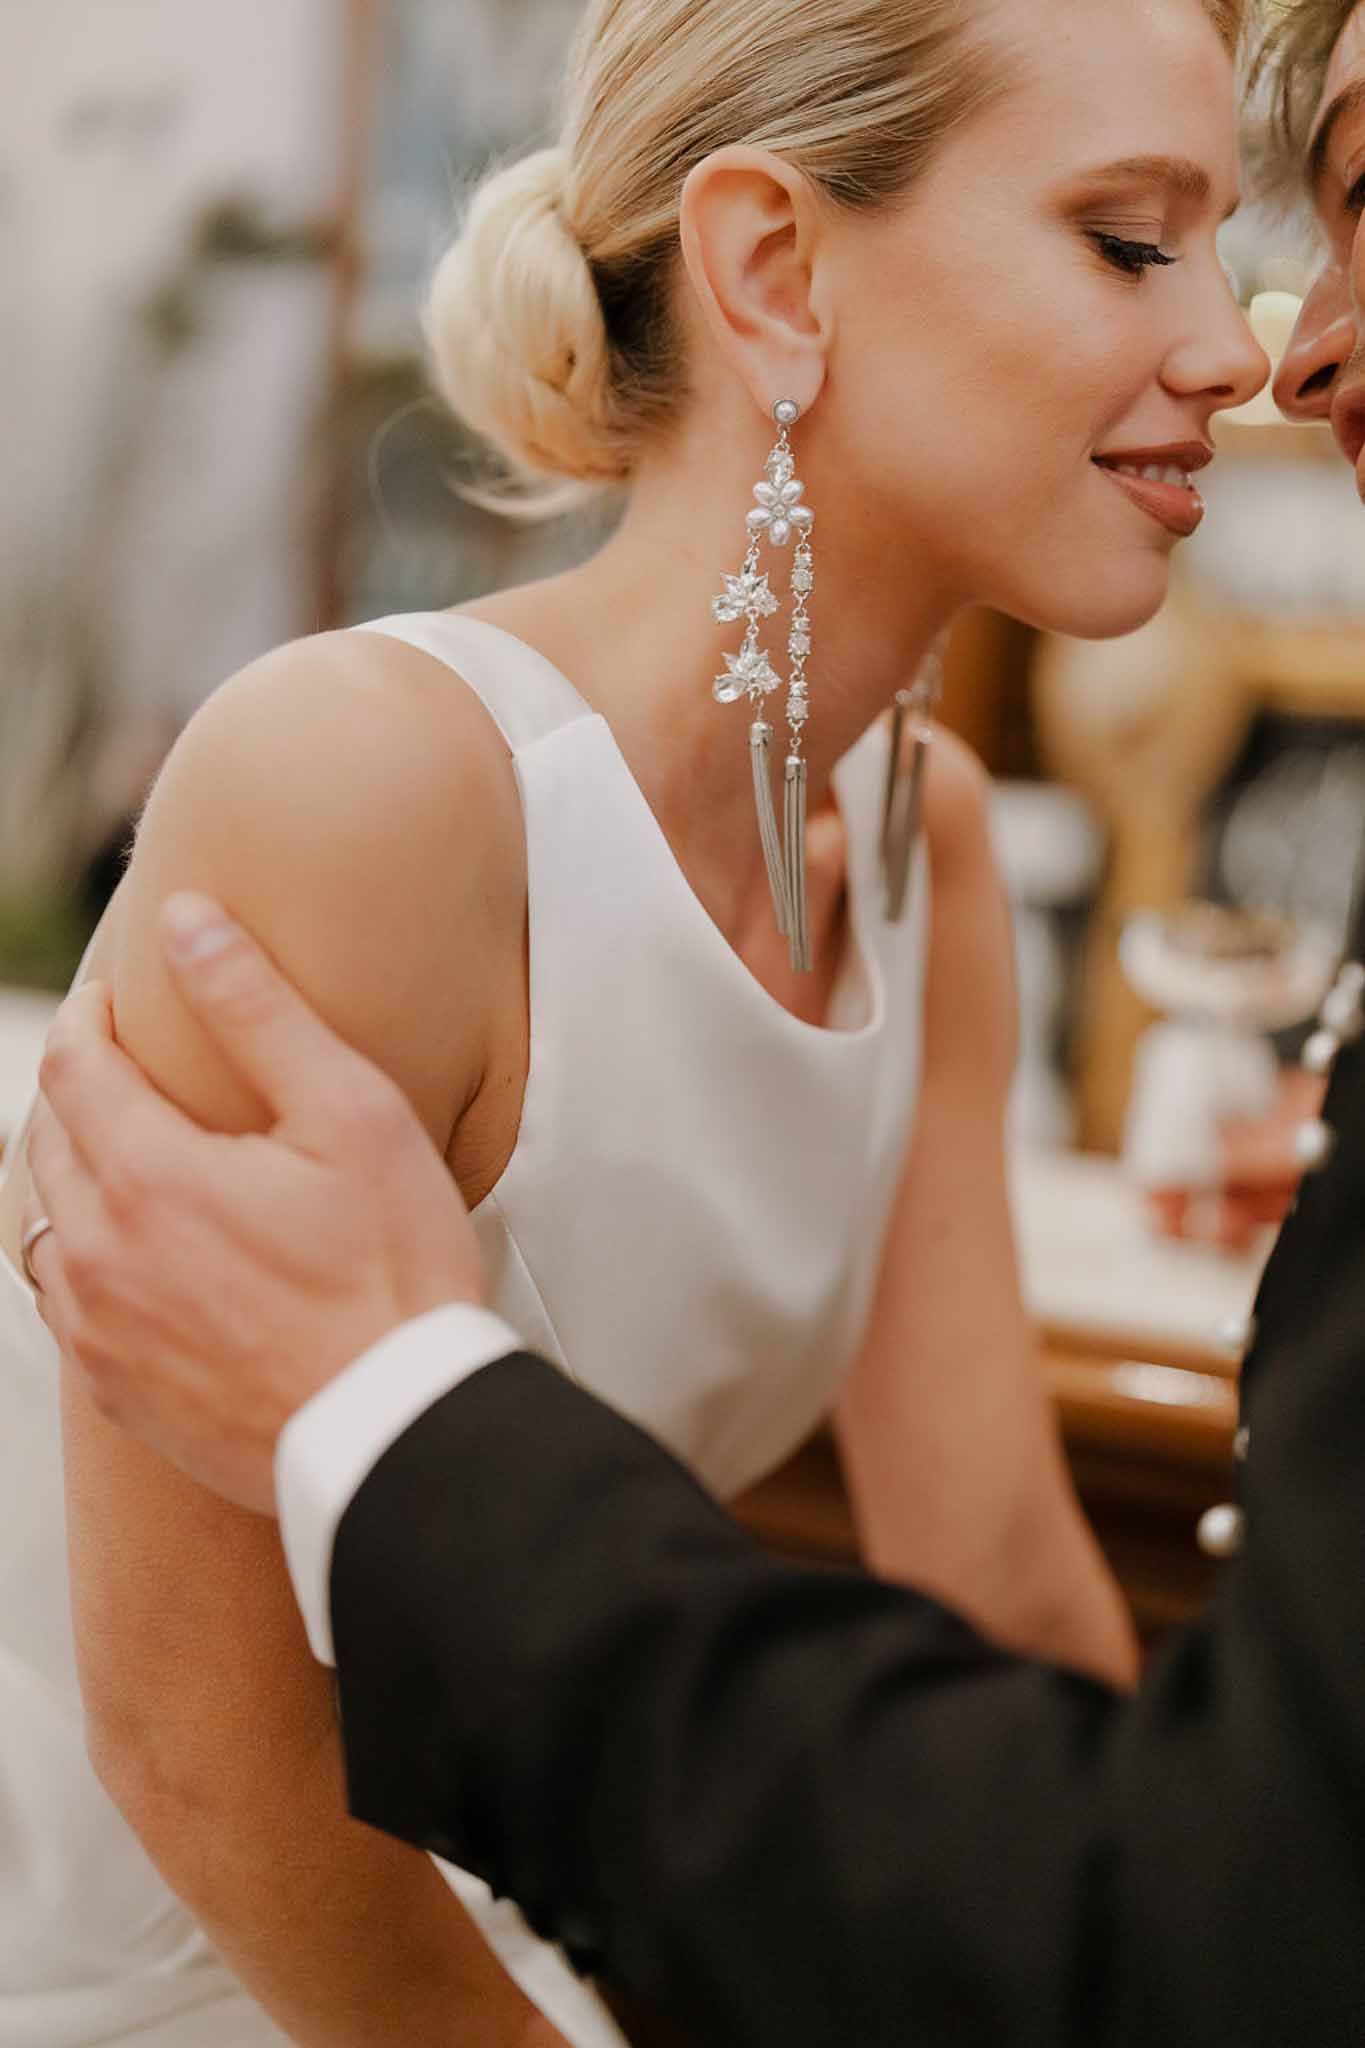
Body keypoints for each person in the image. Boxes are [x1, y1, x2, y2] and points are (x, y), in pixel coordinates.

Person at [0, 0, 1268, 2039]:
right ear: (773, 267)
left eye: (1222, 241)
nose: (1231, 345)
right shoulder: (361, 783)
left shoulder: (920, 839)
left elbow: (993, 1579)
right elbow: (191, 1744)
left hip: (543, 1927)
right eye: (1129, 241)